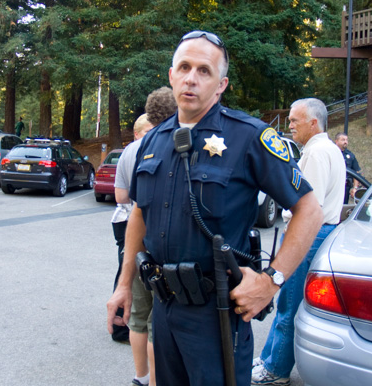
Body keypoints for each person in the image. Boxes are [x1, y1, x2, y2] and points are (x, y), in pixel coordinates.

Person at [106, 30, 323, 386]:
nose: (192, 78)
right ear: (172, 75)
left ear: (221, 84)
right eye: (185, 67)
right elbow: (140, 216)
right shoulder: (153, 143)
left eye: (204, 71)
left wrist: (273, 281)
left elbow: (310, 210)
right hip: (164, 305)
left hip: (216, 313)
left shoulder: (249, 137)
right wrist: (124, 284)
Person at [252, 98, 346, 386]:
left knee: (289, 304)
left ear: (313, 122)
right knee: (288, 302)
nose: (289, 125)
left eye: (295, 120)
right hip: (321, 233)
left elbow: (308, 208)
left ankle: (276, 370)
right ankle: (269, 357)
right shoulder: (328, 149)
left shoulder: (316, 154)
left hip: (309, 235)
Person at [114, 87, 177, 386]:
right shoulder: (174, 144)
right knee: (157, 323)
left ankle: (140, 377)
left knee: (138, 315)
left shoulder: (130, 150)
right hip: (163, 245)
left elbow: (122, 197)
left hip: (134, 242)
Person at [334, 132, 362, 203]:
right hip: (333, 186)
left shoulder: (350, 155)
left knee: (343, 207)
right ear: (336, 141)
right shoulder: (331, 153)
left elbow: (356, 172)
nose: (345, 142)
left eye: (346, 140)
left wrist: (355, 188)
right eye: (343, 140)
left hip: (345, 187)